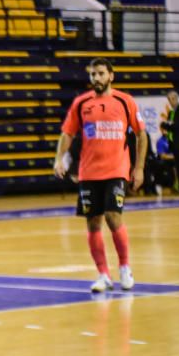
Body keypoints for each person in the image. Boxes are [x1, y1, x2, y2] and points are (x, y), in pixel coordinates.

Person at [54, 58, 148, 293]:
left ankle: (125, 268)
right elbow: (67, 134)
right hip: (88, 172)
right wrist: (59, 158)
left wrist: (139, 168)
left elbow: (141, 135)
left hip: (116, 170)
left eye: (101, 73)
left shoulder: (125, 101)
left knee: (113, 217)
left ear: (111, 76)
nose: (96, 78)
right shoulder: (81, 103)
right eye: (93, 74)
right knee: (93, 222)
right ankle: (103, 275)